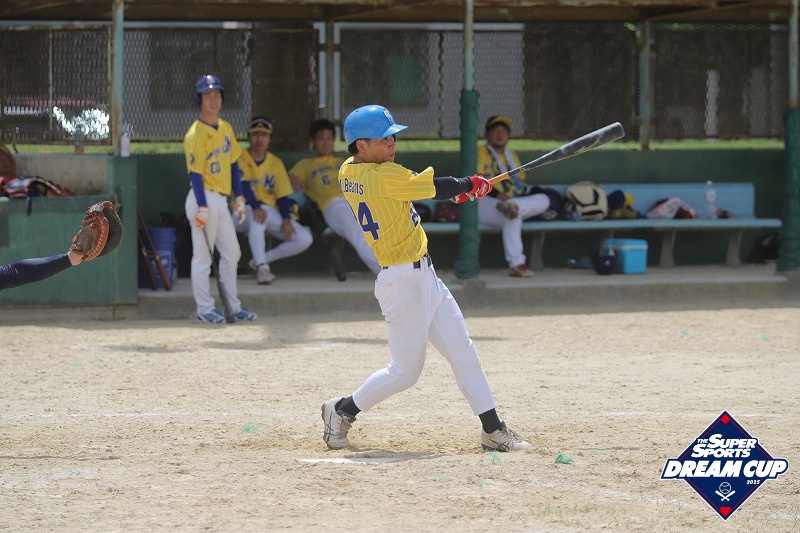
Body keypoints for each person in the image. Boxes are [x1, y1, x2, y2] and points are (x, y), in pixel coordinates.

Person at [320, 104, 531, 453]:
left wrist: (461, 191)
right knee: (405, 372)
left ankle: (493, 431)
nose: (392, 143)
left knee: (464, 352)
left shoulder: (348, 170)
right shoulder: (381, 175)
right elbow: (433, 185)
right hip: (403, 283)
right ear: (361, 145)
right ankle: (341, 410)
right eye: (384, 139)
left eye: (392, 137)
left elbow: (414, 191)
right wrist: (471, 183)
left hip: (425, 276)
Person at [183, 74, 256, 323]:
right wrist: (202, 206)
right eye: (207, 95)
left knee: (232, 253)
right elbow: (194, 174)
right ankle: (205, 309)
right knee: (203, 257)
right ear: (200, 100)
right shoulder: (195, 134)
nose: (213, 100)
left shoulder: (226, 128)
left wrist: (240, 197)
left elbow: (234, 164)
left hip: (222, 199)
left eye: (216, 95)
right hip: (203, 198)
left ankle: (232, 306)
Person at [289, 119, 380, 276]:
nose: (326, 142)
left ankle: (401, 270)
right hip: (333, 205)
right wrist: (292, 180)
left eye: (329, 138)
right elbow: (287, 181)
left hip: (358, 201)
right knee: (360, 233)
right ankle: (386, 274)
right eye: (321, 138)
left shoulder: (344, 162)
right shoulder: (305, 164)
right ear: (313, 141)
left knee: (381, 230)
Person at [236, 116, 313, 285]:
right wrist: (256, 207)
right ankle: (263, 269)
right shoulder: (240, 157)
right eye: (256, 134)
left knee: (304, 238)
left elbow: (282, 195)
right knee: (258, 218)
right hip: (242, 211)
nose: (259, 139)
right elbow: (244, 187)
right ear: (249, 136)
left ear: (269, 138)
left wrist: (286, 219)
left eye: (264, 135)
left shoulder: (275, 163)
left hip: (268, 210)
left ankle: (260, 260)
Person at [477, 115, 551, 278]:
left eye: (504, 131)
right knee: (512, 214)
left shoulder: (511, 155)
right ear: (486, 134)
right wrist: (499, 195)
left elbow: (519, 185)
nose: (500, 134)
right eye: (495, 130)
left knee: (542, 200)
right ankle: (517, 264)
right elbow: (477, 182)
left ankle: (514, 206)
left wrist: (517, 198)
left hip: (508, 203)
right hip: (485, 202)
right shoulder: (480, 152)